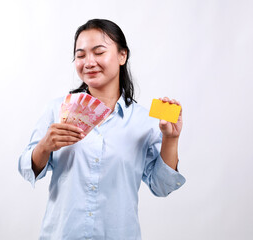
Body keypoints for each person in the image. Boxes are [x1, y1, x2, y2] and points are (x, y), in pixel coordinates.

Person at [18, 19, 186, 240]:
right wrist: (44, 146)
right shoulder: (57, 110)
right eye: (80, 55)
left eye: (98, 52)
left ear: (122, 56)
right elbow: (26, 168)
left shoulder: (145, 120)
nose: (88, 62)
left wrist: (170, 139)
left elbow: (162, 186)